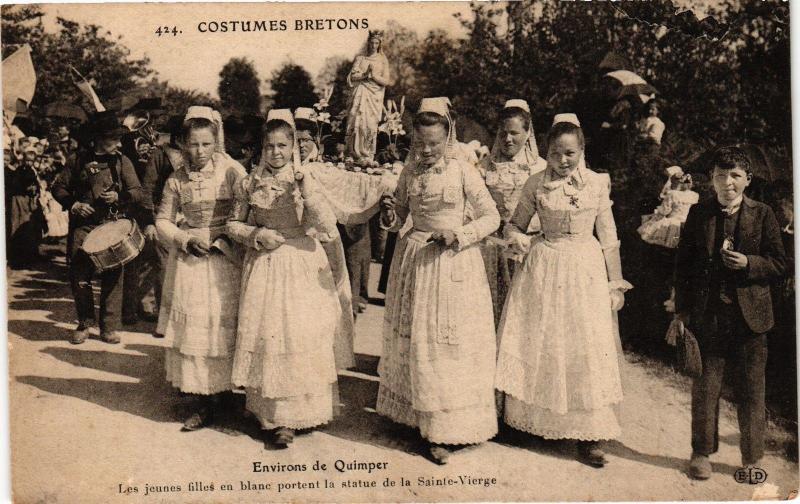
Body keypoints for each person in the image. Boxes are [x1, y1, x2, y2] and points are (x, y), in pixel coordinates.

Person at [494, 114, 631, 468]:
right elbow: (515, 225)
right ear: (547, 152)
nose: (563, 160)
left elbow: (610, 238)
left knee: (583, 344)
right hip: (543, 264)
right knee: (538, 339)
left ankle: (588, 434)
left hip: (584, 268)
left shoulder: (597, 184)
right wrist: (517, 240)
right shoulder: (535, 182)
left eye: (570, 153)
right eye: (556, 153)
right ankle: (526, 422)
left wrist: (615, 284)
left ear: (582, 151)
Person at [377, 97, 500, 464]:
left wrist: (458, 235)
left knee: (448, 343)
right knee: (418, 339)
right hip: (416, 260)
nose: (427, 150)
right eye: (421, 143)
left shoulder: (463, 171)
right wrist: (389, 214)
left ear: (448, 137)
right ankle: (416, 417)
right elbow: (397, 219)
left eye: (435, 142)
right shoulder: (409, 172)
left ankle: (446, 428)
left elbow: (491, 217)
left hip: (454, 264)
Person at [227, 110, 341, 447]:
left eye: (283, 145)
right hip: (265, 264)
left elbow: (327, 227)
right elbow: (233, 225)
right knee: (268, 335)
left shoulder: (305, 179)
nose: (276, 152)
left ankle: (299, 412)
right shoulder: (248, 182)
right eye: (270, 146)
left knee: (299, 335)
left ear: (294, 146)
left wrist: (305, 190)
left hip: (301, 262)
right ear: (262, 148)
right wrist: (256, 234)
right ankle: (272, 415)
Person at [674, 146, 786, 480]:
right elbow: (684, 265)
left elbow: (783, 263)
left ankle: (752, 459)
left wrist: (750, 263)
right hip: (709, 317)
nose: (728, 183)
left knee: (752, 391)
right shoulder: (699, 212)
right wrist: (681, 311)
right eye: (721, 176)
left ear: (747, 180)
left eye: (735, 176)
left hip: (751, 321)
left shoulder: (763, 214)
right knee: (705, 389)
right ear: (711, 179)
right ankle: (701, 453)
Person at [154, 106, 246, 430]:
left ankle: (230, 394)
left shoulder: (232, 171)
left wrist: (230, 233)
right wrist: (182, 238)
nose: (200, 151)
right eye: (193, 144)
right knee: (199, 330)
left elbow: (248, 206)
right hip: (192, 261)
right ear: (183, 143)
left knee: (226, 325)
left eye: (206, 144)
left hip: (227, 258)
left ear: (216, 140)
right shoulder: (177, 179)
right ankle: (204, 399)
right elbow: (162, 220)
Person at [51, 111, 143, 345]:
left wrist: (119, 196)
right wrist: (74, 205)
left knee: (114, 275)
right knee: (79, 275)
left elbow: (137, 191)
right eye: (114, 139)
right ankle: (84, 322)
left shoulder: (122, 161)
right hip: (83, 226)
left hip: (112, 225)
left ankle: (109, 328)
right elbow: (58, 188)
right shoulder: (77, 160)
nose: (119, 144)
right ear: (99, 138)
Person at [295, 107, 356, 370]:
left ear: (316, 142)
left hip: (323, 239)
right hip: (295, 242)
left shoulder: (325, 168)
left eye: (305, 141)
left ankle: (323, 358)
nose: (300, 146)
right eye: (296, 141)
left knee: (325, 300)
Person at [478, 99, 547, 327]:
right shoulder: (485, 166)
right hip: (491, 244)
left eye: (515, 133)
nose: (508, 139)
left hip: (526, 245)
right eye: (504, 133)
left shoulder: (540, 169)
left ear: (528, 133)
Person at [345, 30, 392, 162]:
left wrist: (373, 76)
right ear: (368, 43)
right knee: (355, 122)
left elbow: (386, 81)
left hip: (374, 96)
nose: (373, 45)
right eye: (371, 43)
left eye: (376, 43)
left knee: (369, 124)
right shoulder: (360, 59)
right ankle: (351, 153)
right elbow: (352, 76)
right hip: (360, 93)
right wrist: (365, 75)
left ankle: (367, 154)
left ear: (379, 44)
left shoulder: (383, 60)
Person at [638, 166, 699, 249]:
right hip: (687, 224)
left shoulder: (672, 194)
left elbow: (665, 211)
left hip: (672, 225)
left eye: (671, 181)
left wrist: (657, 214)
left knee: (649, 228)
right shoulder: (694, 195)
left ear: (675, 182)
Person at [6, 141, 45, 267]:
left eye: (31, 160)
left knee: (31, 227)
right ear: (24, 158)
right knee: (19, 226)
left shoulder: (31, 170)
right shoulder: (20, 170)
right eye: (27, 160)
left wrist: (36, 191)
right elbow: (16, 185)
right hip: (20, 201)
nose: (29, 163)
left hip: (30, 201)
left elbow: (36, 185)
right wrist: (27, 188)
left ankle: (30, 254)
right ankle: (19, 257)